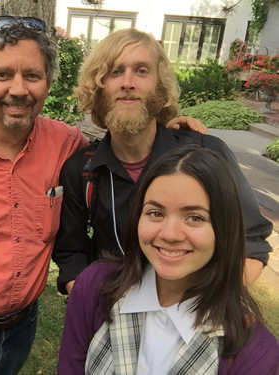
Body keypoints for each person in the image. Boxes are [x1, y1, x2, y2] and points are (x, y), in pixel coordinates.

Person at [0, 18, 204, 374]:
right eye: (2, 75)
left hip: (22, 329)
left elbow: (124, 144)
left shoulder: (67, 145)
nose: (18, 89)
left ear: (47, 84)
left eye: (32, 75)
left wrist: (170, 127)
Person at [52, 28, 273, 296]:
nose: (128, 82)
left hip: (194, 311)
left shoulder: (206, 154)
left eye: (142, 70)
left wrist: (207, 310)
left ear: (160, 86)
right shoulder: (81, 170)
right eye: (115, 71)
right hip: (111, 313)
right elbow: (70, 254)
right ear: (97, 87)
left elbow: (251, 241)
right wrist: (93, 309)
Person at [58, 146, 279, 374]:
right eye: (156, 213)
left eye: (195, 217)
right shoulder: (94, 288)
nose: (170, 234)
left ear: (225, 227)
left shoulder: (256, 356)